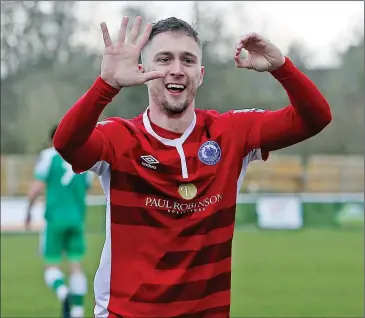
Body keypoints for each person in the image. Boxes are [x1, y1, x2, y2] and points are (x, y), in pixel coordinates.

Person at [53, 16, 332, 318]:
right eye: (164, 59)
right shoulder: (120, 138)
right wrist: (105, 85)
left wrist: (282, 67)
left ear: (200, 75)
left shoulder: (232, 133)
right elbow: (66, 143)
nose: (176, 69)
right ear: (142, 70)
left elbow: (315, 118)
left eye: (187, 60)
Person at [26, 125, 93, 318]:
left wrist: (28, 212)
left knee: (51, 266)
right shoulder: (84, 158)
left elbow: (36, 189)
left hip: (55, 220)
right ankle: (78, 312)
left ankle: (63, 293)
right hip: (77, 220)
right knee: (76, 265)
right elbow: (87, 187)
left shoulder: (49, 156)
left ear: (52, 140)